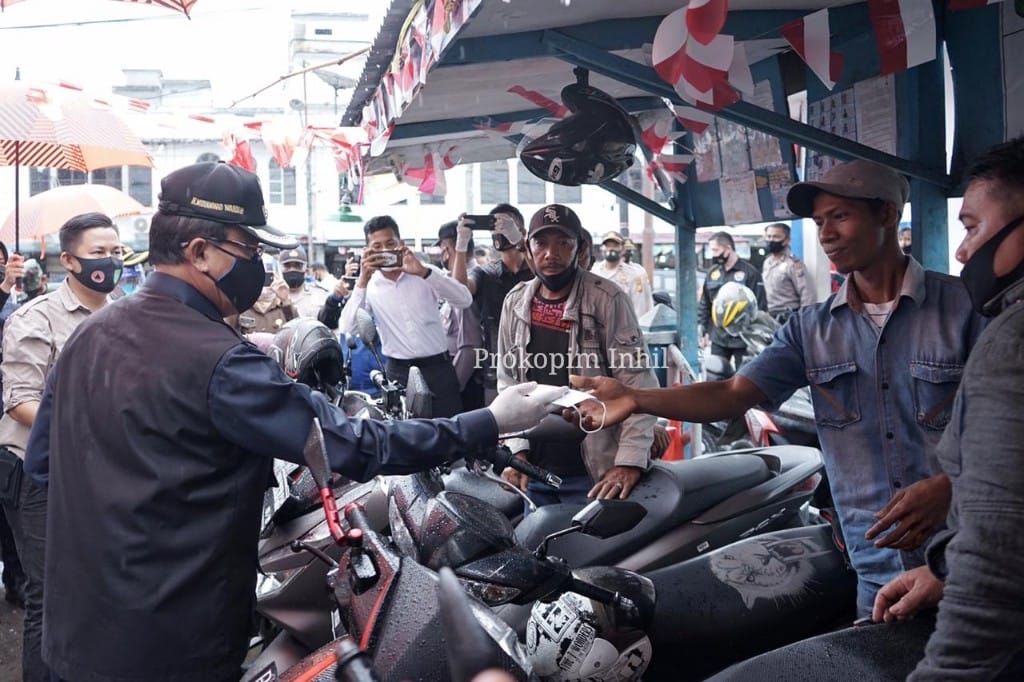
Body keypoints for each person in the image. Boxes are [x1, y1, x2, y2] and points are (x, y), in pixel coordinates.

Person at [21, 162, 561, 682]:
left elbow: (43, 464)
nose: (261, 263)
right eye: (250, 247)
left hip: (77, 630)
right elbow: (353, 443)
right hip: (171, 638)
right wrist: (490, 420)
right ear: (200, 252)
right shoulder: (218, 358)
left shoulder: (89, 336)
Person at [573, 159, 985, 618]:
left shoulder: (967, 310)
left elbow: (1010, 432)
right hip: (876, 578)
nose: (826, 233)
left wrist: (950, 487)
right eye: (819, 222)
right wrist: (636, 399)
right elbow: (731, 394)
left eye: (840, 216)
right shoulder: (810, 329)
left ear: (887, 215)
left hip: (969, 564)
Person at [871, 137, 1024, 679]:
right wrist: (944, 571)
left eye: (973, 227)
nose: (962, 252)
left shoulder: (1011, 340)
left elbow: (997, 554)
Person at [0, 212, 123, 682]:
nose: (109, 262)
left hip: (98, 469)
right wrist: (91, 425)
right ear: (68, 260)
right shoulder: (37, 317)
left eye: (115, 252)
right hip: (36, 470)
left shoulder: (125, 314)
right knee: (49, 594)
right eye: (98, 253)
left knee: (95, 585)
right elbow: (21, 403)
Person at [497, 204, 658, 506]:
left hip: (595, 472)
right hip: (535, 470)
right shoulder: (515, 302)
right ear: (529, 250)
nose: (551, 253)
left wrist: (630, 461)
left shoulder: (607, 299)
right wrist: (517, 452)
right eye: (541, 243)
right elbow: (509, 383)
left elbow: (639, 386)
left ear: (580, 248)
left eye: (563, 243)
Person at [338, 215, 472, 418]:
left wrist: (424, 272)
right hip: (398, 373)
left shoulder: (425, 273)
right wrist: (362, 280)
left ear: (401, 244)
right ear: (367, 251)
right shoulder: (370, 287)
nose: (385, 251)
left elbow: (464, 300)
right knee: (406, 438)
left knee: (451, 434)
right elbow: (348, 328)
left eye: (390, 244)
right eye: (377, 247)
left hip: (439, 368)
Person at [450, 203, 534, 405]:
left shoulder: (534, 269)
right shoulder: (487, 273)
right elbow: (460, 289)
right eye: (494, 227)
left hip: (538, 364)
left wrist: (519, 241)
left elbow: (544, 276)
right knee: (500, 430)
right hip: (495, 371)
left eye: (505, 225)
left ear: (521, 230)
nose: (500, 232)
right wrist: (461, 245)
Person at [698, 231, 766, 369]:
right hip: (718, 336)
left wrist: (756, 337)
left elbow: (761, 306)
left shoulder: (750, 272)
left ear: (728, 248)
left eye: (716, 250)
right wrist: (702, 327)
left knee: (745, 377)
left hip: (743, 337)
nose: (713, 254)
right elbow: (705, 303)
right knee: (715, 376)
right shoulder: (712, 273)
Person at [436, 221, 486, 411]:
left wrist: (453, 388)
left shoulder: (468, 282)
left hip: (464, 382)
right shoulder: (463, 278)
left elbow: (470, 347)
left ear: (447, 249)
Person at [591, 230, 654, 318]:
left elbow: (640, 308)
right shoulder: (594, 272)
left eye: (615, 245)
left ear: (623, 249)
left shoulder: (633, 274)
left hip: (623, 326)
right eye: (607, 245)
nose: (610, 249)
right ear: (602, 248)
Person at [762, 222, 816, 323]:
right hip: (770, 317)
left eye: (776, 237)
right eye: (768, 236)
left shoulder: (793, 264)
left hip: (789, 317)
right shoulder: (767, 262)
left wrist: (804, 320)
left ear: (787, 240)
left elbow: (808, 295)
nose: (771, 240)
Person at [280, 245, 328, 318]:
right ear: (280, 268)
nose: (292, 269)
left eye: (297, 266)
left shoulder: (320, 294)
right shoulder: (272, 296)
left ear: (305, 269)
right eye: (287, 266)